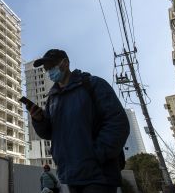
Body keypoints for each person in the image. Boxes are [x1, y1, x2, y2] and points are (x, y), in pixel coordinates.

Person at [27, 49, 130, 193]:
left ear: (65, 63)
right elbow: (49, 133)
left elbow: (118, 122)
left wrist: (96, 155)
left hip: (98, 176)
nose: (49, 71)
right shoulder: (53, 98)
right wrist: (38, 120)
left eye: (52, 66)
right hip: (70, 176)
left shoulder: (93, 84)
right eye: (47, 69)